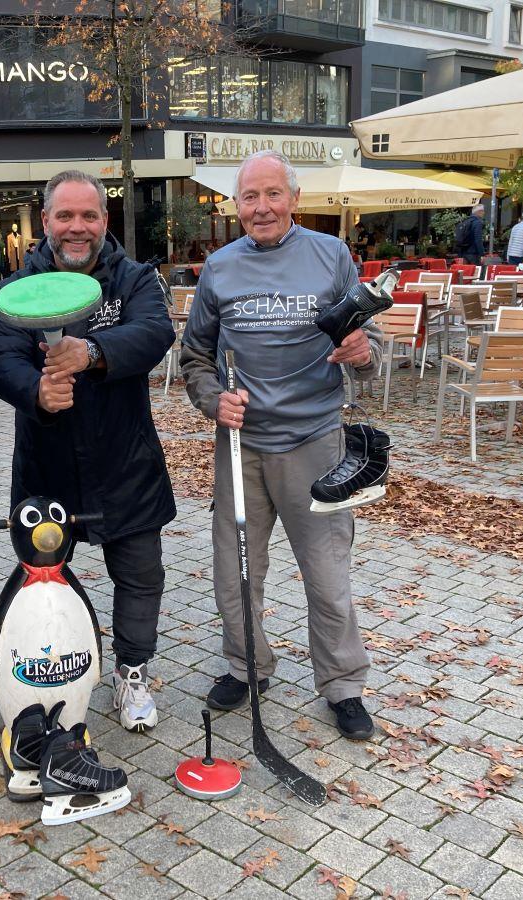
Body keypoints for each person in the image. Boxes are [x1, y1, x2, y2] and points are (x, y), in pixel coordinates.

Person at [180, 149, 383, 741]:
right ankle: (247, 668)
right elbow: (195, 356)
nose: (261, 207)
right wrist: (211, 398)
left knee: (325, 573)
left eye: (273, 194)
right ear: (236, 204)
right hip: (239, 444)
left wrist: (363, 353)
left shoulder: (330, 255)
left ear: (293, 199)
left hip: (315, 439)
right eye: (250, 197)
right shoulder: (218, 267)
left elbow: (365, 341)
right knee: (235, 572)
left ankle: (343, 684)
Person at [0, 170, 176, 733]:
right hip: (48, 465)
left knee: (140, 576)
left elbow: (154, 333)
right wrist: (37, 390)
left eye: (88, 216)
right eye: (64, 216)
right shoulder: (20, 288)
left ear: (104, 221)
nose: (76, 227)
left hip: (126, 460)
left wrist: (90, 352)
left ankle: (132, 673)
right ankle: (45, 672)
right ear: (45, 221)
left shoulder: (136, 278)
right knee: (44, 578)